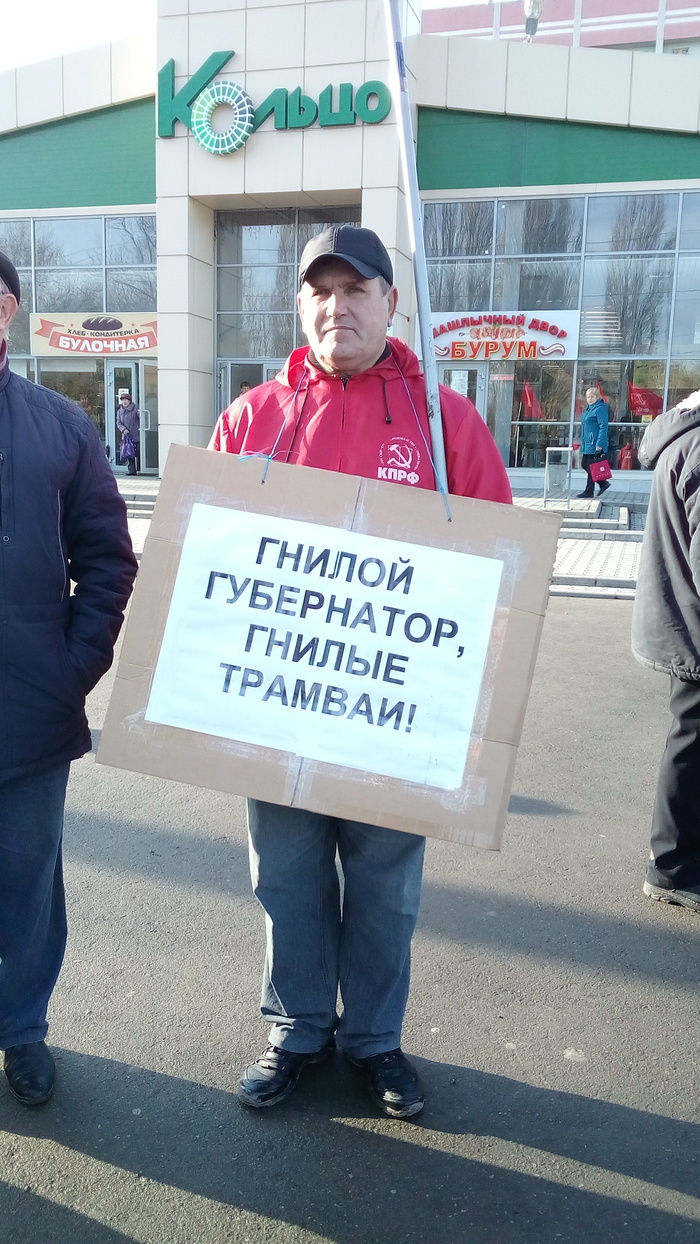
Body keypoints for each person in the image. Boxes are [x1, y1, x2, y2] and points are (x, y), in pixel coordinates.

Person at [209, 225, 511, 1118]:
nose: (336, 307)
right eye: (319, 292)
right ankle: (298, 1027)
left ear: (389, 303)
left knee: (385, 886)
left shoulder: (444, 423)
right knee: (287, 877)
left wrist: (478, 696)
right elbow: (205, 565)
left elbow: (498, 565)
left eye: (356, 290)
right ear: (300, 305)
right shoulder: (252, 419)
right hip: (279, 711)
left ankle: (375, 1039)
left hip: (397, 720)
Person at [0, 251, 138, 1104]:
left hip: (30, 717)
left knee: (26, 882)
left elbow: (108, 561)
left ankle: (21, 1031)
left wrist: (70, 670)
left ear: (5, 309)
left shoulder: (59, 425)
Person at [632, 391, 700, 914]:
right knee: (691, 740)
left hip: (680, 616)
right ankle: (672, 866)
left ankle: (674, 861)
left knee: (689, 736)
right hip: (692, 625)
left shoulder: (681, 439)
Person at [577, 386, 610, 498]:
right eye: (588, 397)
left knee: (591, 467)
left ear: (598, 397)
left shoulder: (600, 408)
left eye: (592, 396)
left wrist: (599, 444)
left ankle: (589, 491)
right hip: (587, 443)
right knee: (585, 465)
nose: (590, 399)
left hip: (594, 443)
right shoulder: (588, 409)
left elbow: (603, 427)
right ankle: (603, 483)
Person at [117, 392, 140, 475]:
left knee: (138, 452)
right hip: (127, 436)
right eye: (123, 400)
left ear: (129, 400)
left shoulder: (136, 408)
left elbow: (141, 417)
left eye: (126, 399)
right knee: (129, 453)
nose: (124, 402)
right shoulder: (120, 411)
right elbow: (118, 423)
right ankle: (132, 471)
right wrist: (123, 429)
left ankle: (140, 469)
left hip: (137, 435)